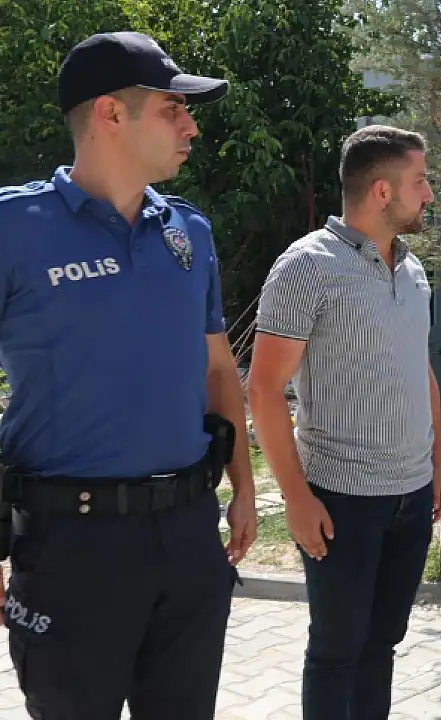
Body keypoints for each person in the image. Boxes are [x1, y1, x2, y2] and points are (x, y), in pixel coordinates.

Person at [0, 31, 257, 719]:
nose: (191, 126)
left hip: (189, 532)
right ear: (111, 113)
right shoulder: (14, 228)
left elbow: (217, 367)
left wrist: (244, 487)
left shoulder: (188, 232)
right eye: (174, 108)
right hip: (70, 546)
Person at [246, 125, 441, 720]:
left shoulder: (412, 270)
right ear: (383, 191)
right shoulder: (306, 267)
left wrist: (438, 464)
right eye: (420, 181)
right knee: (337, 652)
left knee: (381, 645)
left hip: (411, 496)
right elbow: (263, 389)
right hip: (342, 501)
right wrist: (295, 497)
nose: (429, 194)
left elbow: (421, 371)